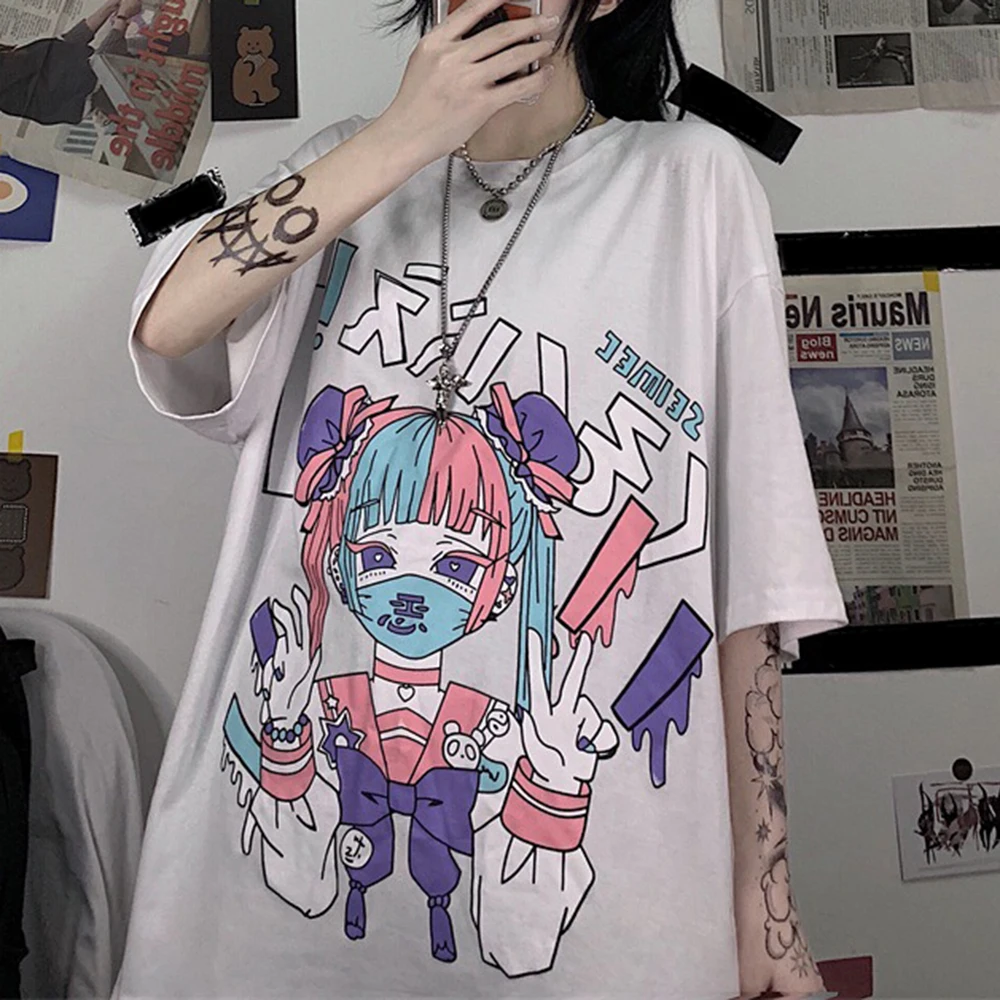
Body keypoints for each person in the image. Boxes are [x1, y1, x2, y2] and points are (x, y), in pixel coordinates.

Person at [117, 0, 848, 996]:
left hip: (595, 921)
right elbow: (167, 325)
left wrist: (769, 904)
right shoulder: (343, 165)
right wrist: (408, 133)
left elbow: (752, 573)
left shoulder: (694, 182)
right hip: (266, 918)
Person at [0, 0, 140, 127]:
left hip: (114, 74)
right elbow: (97, 69)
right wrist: (122, 18)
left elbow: (64, 45)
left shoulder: (11, 58)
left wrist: (109, 7)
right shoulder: (10, 79)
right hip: (121, 94)